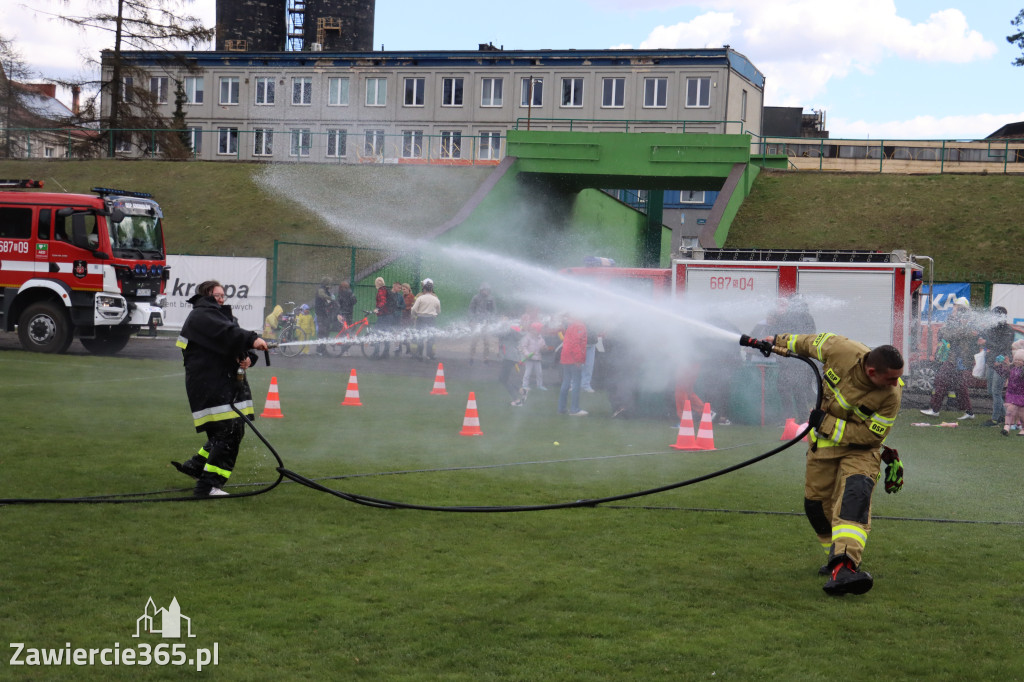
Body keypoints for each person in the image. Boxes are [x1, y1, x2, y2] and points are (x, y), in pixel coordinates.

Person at [768, 331, 904, 596]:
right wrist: (775, 341)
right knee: (815, 506)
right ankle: (834, 559)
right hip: (823, 447)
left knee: (855, 497)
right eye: (891, 378)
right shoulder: (840, 349)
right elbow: (805, 343)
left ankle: (845, 566)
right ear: (872, 371)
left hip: (861, 451)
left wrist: (826, 423)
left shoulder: (891, 395)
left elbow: (871, 436)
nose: (896, 383)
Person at [171, 280, 269, 497]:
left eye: (223, 295)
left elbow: (232, 340)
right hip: (212, 385)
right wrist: (253, 339)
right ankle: (208, 486)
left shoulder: (216, 316)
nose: (222, 299)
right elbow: (228, 334)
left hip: (223, 383)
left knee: (228, 430)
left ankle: (197, 465)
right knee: (228, 432)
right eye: (218, 295)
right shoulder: (203, 316)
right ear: (207, 295)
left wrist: (248, 358)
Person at [920, 297, 978, 419]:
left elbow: (952, 335)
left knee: (941, 379)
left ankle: (935, 409)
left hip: (956, 359)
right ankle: (969, 412)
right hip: (954, 358)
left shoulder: (966, 322)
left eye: (956, 306)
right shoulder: (954, 320)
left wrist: (949, 330)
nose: (953, 308)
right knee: (960, 386)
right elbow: (943, 334)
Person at [980, 306, 1015, 427]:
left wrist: (986, 343)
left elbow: (1003, 346)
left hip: (1002, 363)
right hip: (991, 362)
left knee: (996, 391)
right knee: (991, 391)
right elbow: (987, 339)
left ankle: (995, 420)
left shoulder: (1008, 330)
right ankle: (1005, 416)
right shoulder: (992, 327)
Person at [557, 315, 588, 416]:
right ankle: (574, 409)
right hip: (573, 358)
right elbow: (576, 343)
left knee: (566, 382)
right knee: (576, 383)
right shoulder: (580, 326)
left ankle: (561, 408)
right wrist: (578, 359)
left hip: (565, 357)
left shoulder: (571, 325)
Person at [995, 349, 1024, 436]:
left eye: (1020, 360)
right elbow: (1003, 373)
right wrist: (999, 365)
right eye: (1016, 359)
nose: (1017, 361)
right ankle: (1006, 427)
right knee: (1010, 410)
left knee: (1021, 413)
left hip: (1021, 394)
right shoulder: (1012, 369)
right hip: (1011, 393)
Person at [410, 278, 440, 360]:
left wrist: (414, 316)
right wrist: (434, 315)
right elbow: (438, 311)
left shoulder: (420, 297)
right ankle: (429, 355)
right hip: (431, 320)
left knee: (420, 336)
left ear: (425, 289)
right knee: (430, 337)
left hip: (421, 319)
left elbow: (413, 309)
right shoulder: (435, 298)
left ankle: (419, 354)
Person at [468, 283, 496, 364]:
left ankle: (486, 358)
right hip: (477, 322)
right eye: (484, 290)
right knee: (474, 341)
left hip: (486, 322)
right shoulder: (476, 298)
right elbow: (471, 309)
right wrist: (471, 320)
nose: (486, 291)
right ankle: (471, 357)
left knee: (487, 342)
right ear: (481, 290)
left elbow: (493, 311)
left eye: (487, 290)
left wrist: (490, 320)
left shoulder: (491, 298)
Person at [519, 321, 548, 391]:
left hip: (537, 358)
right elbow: (523, 347)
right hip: (529, 358)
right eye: (538, 329)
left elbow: (543, 346)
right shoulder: (527, 337)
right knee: (528, 372)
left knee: (539, 373)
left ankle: (539, 385)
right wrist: (527, 354)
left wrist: (544, 348)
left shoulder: (540, 338)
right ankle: (525, 385)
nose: (539, 331)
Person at [314, 276, 339, 353]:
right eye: (329, 283)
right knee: (322, 332)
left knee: (326, 331)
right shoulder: (321, 290)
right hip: (321, 313)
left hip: (325, 313)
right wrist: (331, 298)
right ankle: (319, 350)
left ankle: (323, 348)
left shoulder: (326, 290)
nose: (330, 285)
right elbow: (323, 296)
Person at [373, 276, 392, 358]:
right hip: (388, 315)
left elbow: (383, 301)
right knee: (386, 333)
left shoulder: (381, 291)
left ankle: (376, 353)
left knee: (376, 333)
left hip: (383, 316)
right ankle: (386, 352)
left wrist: (377, 308)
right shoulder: (386, 290)